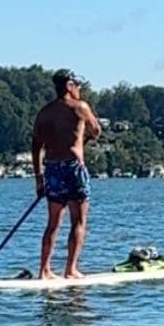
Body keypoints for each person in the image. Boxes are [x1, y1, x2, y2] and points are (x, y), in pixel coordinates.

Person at [31, 69, 102, 279]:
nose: (80, 89)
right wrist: (81, 140)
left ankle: (44, 270)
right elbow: (96, 131)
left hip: (52, 169)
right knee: (78, 221)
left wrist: (39, 179)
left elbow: (35, 148)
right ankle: (70, 270)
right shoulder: (81, 107)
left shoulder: (44, 112)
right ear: (70, 87)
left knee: (53, 223)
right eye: (78, 86)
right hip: (73, 168)